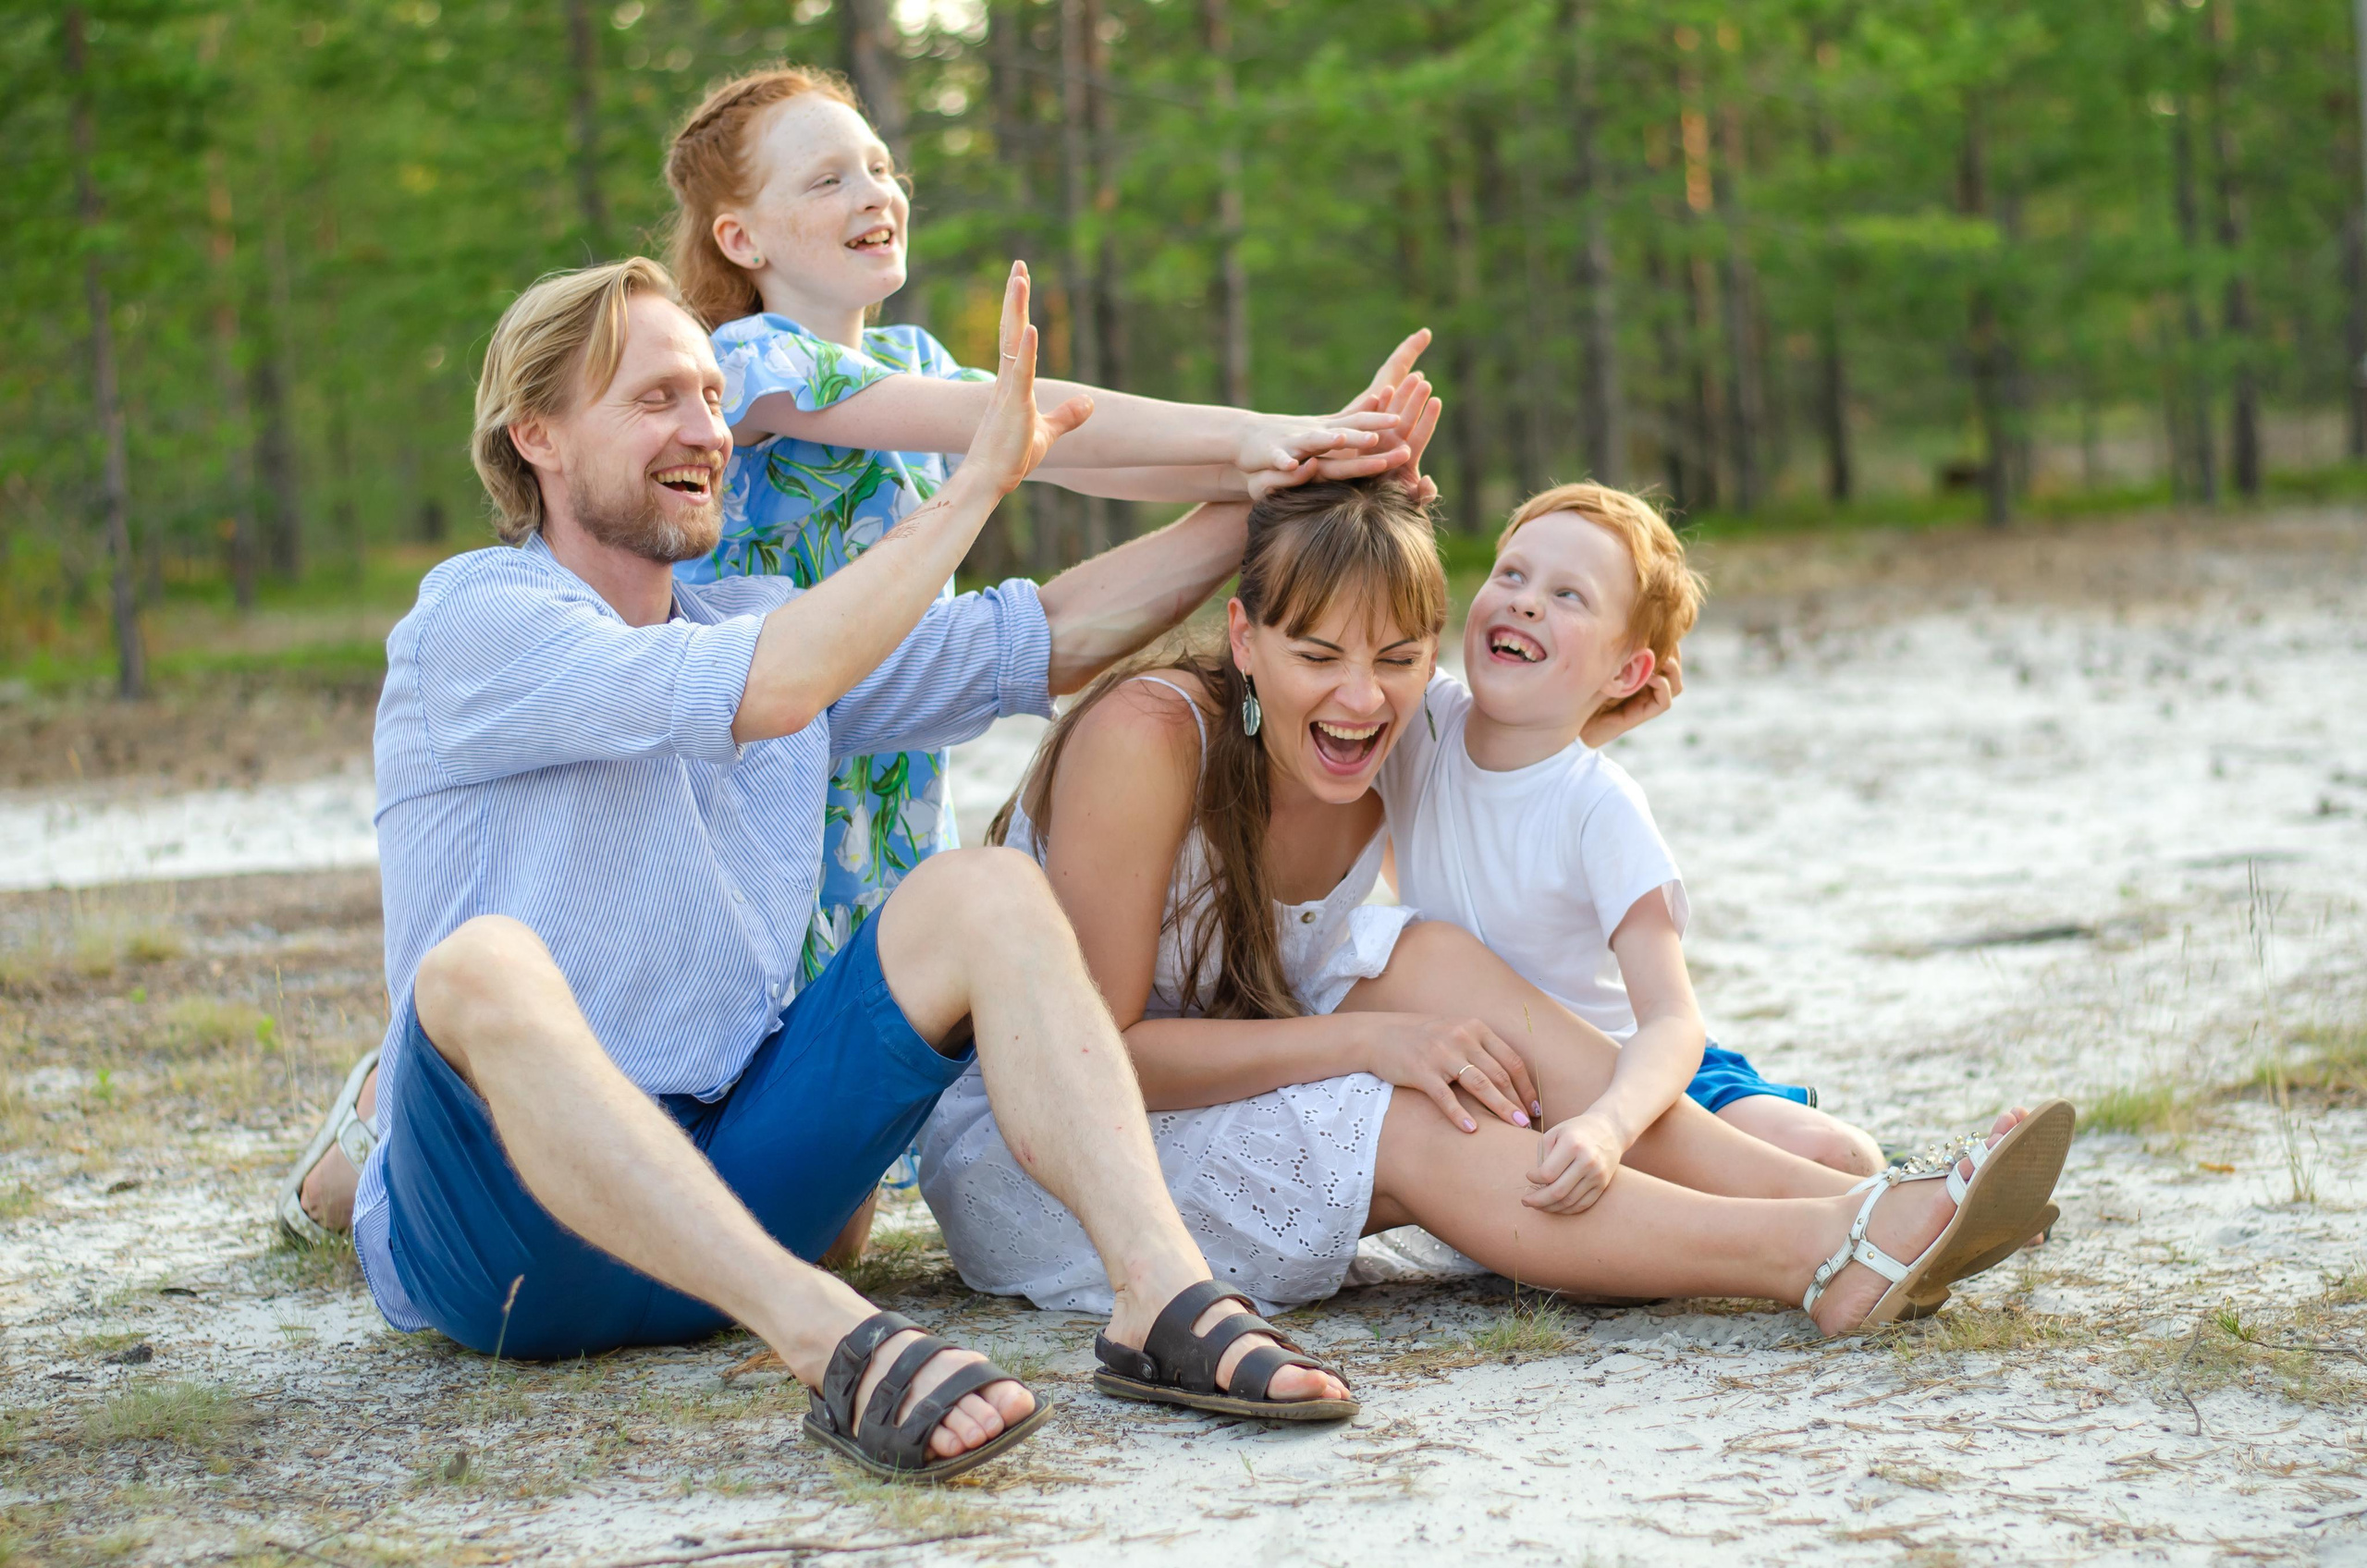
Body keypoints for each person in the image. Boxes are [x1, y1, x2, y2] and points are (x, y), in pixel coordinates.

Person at [332, 254, 1368, 1483]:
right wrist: (979, 480)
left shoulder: (753, 621)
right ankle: (832, 1345)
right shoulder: (478, 623)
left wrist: (1282, 491)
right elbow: (776, 685)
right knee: (479, 967)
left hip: (734, 1180)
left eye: (715, 397)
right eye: (657, 397)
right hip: (512, 1244)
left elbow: (1037, 643)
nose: (708, 430)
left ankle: (1161, 1296)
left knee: (979, 892)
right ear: (537, 435)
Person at [918, 471, 2074, 1335]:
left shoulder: (1399, 741)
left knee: (1442, 974)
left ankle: (1874, 1204)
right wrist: (1372, 1041)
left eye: (1399, 658)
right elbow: (1096, 1057)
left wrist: (1591, 710)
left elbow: (1512, 736)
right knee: (1417, 1097)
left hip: (1253, 1073)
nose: (1360, 698)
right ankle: (1816, 1251)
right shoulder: (1154, 736)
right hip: (1062, 1158)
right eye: (1316, 653)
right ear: (1243, 635)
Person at [661, 62, 1430, 983]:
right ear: (740, 238)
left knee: (908, 1052)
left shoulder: (911, 357)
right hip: (768, 796)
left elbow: (1078, 447)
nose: (874, 194)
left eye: (879, 168)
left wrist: (1301, 458)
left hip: (893, 794)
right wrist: (1262, 435)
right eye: (828, 180)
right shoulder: (744, 364)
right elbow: (1018, 420)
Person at [1378, 482, 1889, 1180]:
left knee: (1838, 1157)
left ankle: (1927, 1195)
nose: (1526, 600)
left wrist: (1611, 1124)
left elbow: (1674, 1022)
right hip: (1508, 1088)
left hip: (1632, 1078)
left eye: (1569, 596)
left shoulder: (1601, 807)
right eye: (1512, 574)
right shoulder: (1421, 724)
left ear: (1628, 671)